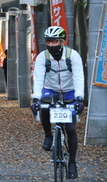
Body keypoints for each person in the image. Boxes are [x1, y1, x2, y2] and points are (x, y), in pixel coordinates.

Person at [30, 26, 84, 179]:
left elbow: (79, 77)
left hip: (70, 90)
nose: (51, 44)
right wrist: (36, 99)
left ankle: (72, 163)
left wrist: (79, 98)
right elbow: (39, 78)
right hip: (50, 89)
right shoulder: (42, 57)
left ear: (61, 41)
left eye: (54, 41)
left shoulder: (73, 55)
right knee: (45, 105)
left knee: (71, 129)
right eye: (48, 41)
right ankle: (48, 135)